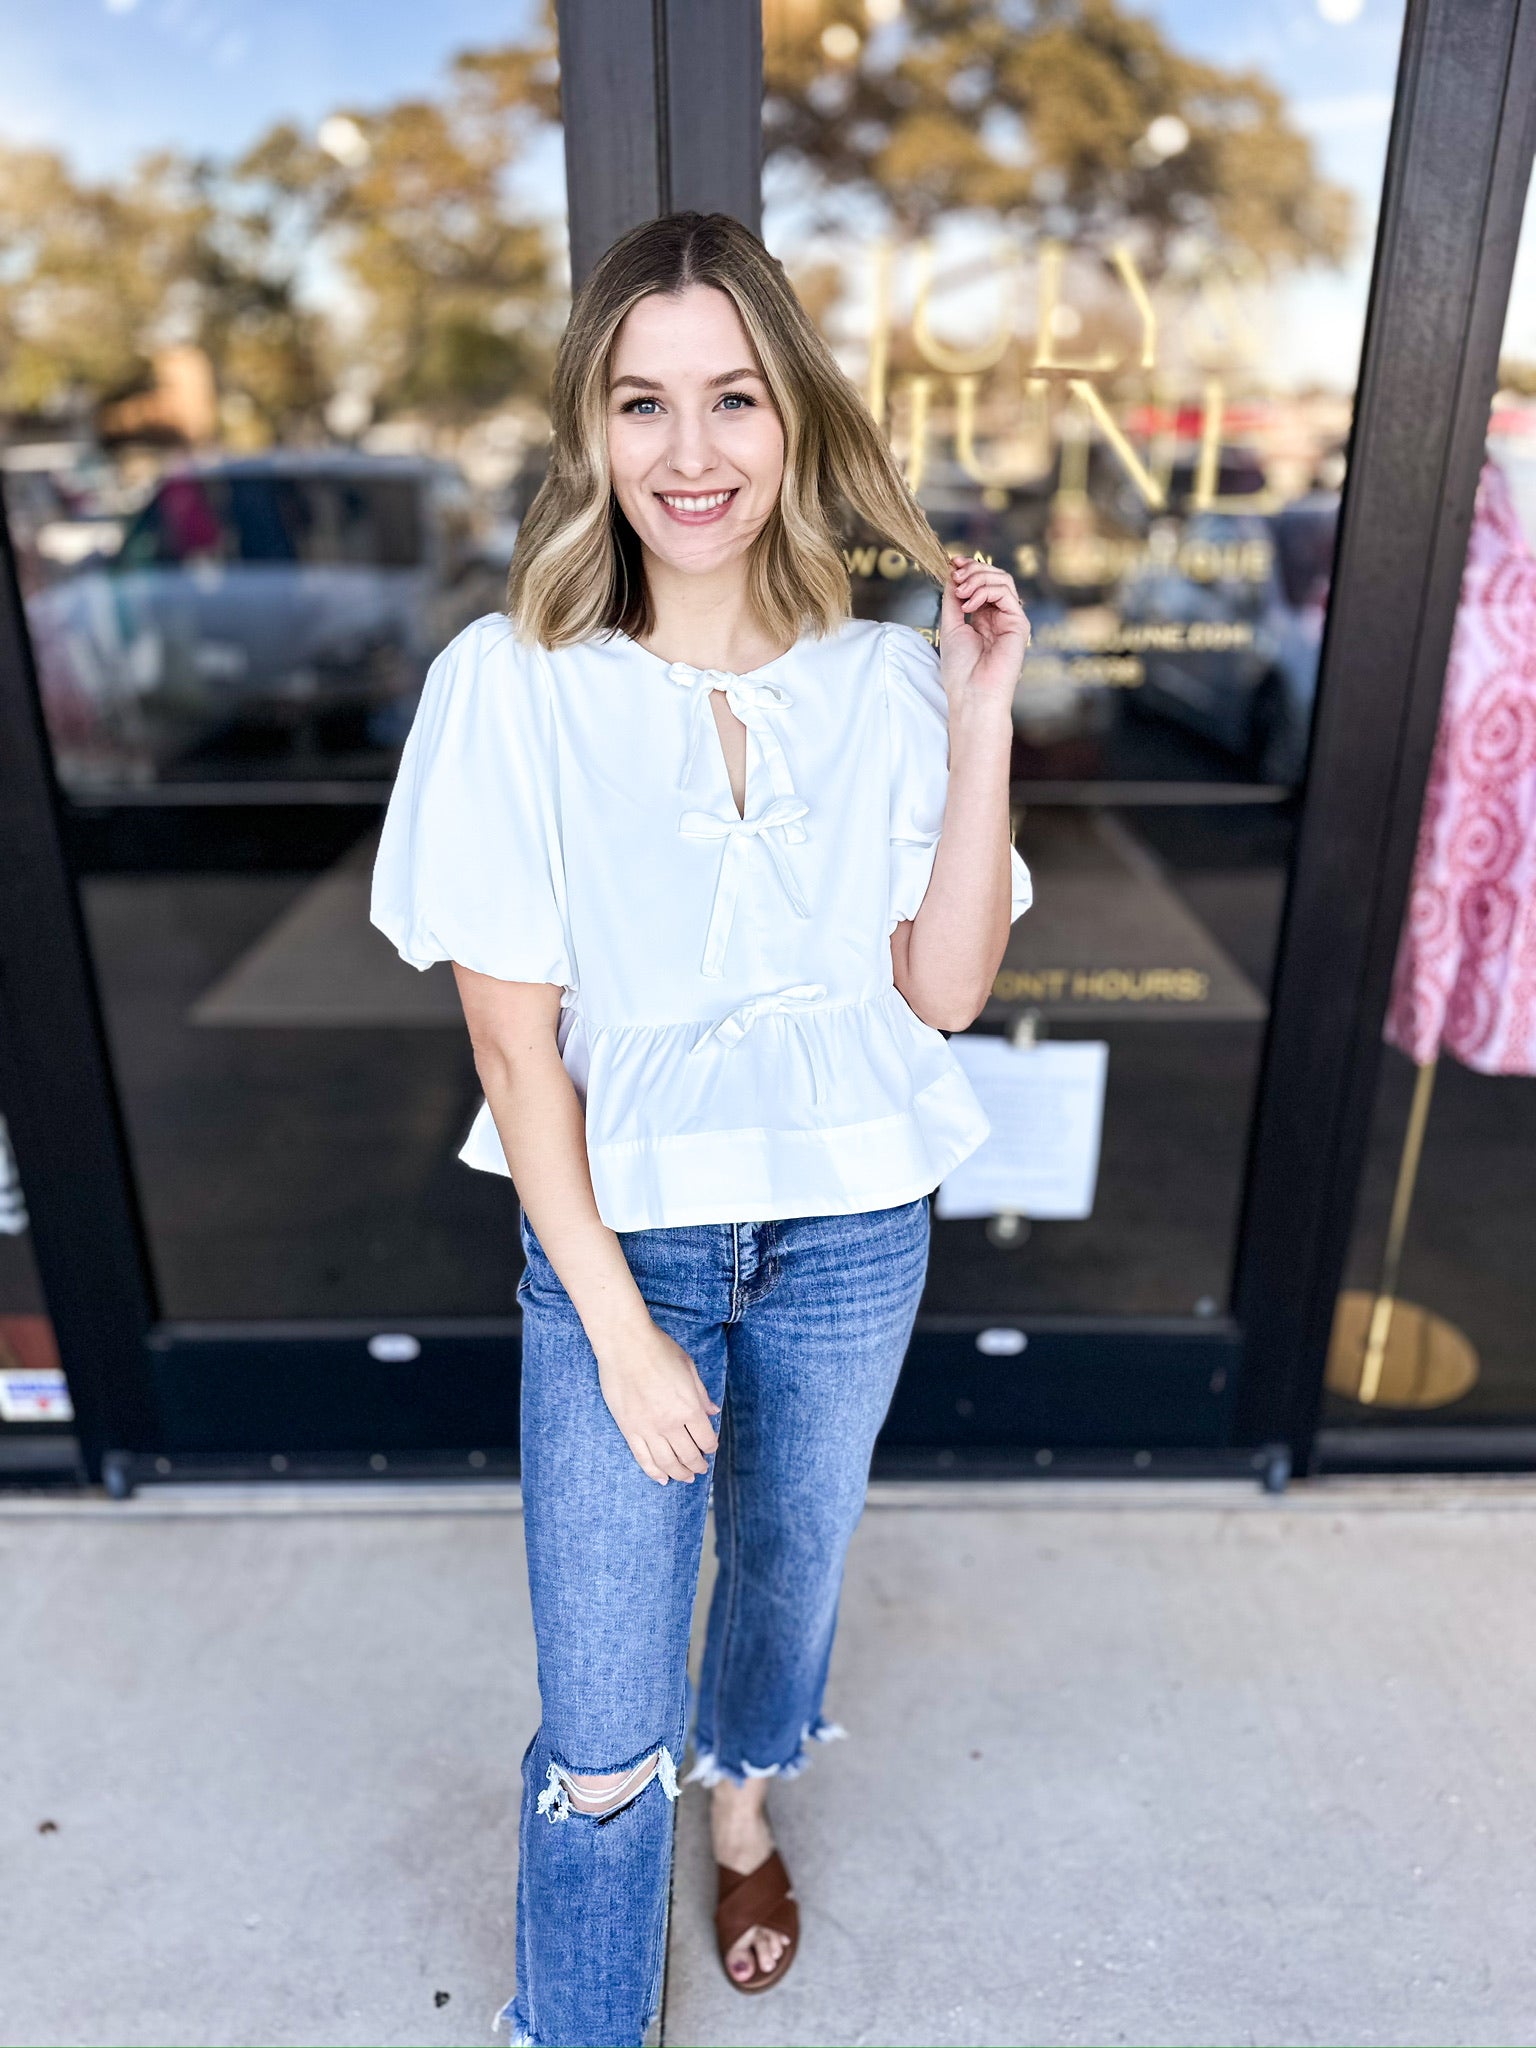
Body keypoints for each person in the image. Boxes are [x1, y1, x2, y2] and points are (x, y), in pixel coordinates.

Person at [371, 209, 1032, 2048]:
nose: (691, 453)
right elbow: (518, 1058)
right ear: (592, 430)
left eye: (732, 398)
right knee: (598, 1718)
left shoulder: (890, 681)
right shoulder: (512, 686)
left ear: (793, 418)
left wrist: (980, 719)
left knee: (790, 1567)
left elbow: (950, 988)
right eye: (641, 403)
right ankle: (581, 2021)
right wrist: (620, 1327)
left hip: (850, 1229)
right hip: (622, 1245)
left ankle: (744, 1801)